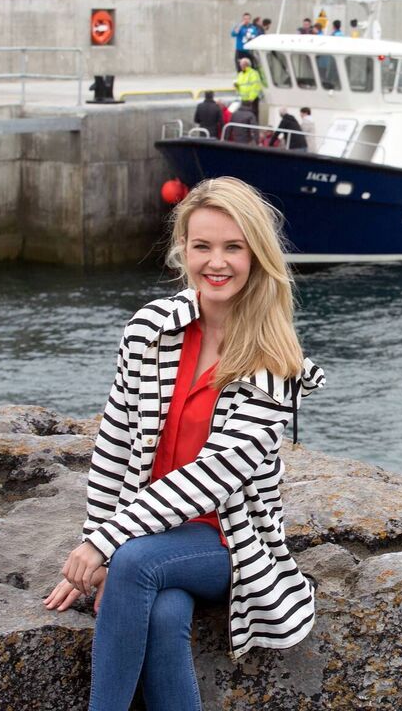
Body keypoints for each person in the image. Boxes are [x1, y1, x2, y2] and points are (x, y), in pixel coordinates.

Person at [44, 177, 324, 711]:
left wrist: (106, 549)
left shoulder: (275, 364)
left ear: (257, 255)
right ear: (183, 251)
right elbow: (115, 445)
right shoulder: (149, 329)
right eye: (203, 246)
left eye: (233, 247)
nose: (216, 262)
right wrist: (98, 541)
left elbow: (211, 476)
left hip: (230, 543)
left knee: (136, 565)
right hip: (148, 536)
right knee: (166, 610)